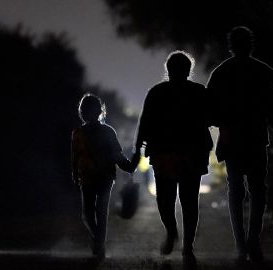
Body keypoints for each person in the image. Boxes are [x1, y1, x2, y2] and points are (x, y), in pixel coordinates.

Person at [207, 26, 273, 262]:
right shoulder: (264, 72)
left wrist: (225, 121)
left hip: (232, 139)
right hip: (256, 139)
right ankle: (252, 240)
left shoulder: (221, 73)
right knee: (257, 190)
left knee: (236, 190)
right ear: (250, 43)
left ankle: (241, 243)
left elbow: (210, 111)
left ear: (231, 44)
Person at [134, 51, 213, 262]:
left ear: (168, 70)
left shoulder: (157, 92)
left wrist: (137, 150)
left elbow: (145, 124)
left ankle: (173, 233)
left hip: (164, 153)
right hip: (191, 153)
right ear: (189, 71)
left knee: (165, 200)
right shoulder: (198, 92)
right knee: (189, 201)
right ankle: (187, 245)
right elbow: (211, 117)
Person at [71, 94, 138, 259]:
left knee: (97, 212)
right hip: (89, 177)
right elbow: (75, 156)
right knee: (90, 214)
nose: (90, 113)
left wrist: (129, 166)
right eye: (87, 110)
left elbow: (116, 154)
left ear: (98, 112)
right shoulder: (78, 133)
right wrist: (74, 172)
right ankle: (98, 241)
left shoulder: (104, 131)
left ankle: (99, 243)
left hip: (102, 178)